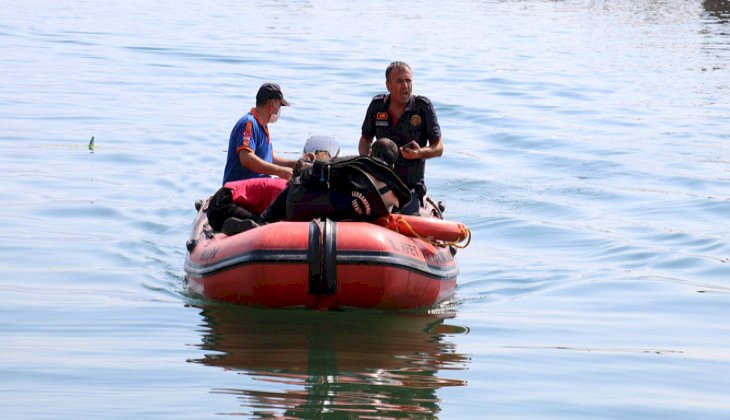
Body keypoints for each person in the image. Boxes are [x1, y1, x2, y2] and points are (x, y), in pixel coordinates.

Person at [210, 135, 341, 235]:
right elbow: (273, 216)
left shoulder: (287, 187)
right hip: (222, 202)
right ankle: (233, 226)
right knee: (262, 225)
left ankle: (236, 224)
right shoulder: (284, 190)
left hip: (229, 197)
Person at [359, 61, 443, 212]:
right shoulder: (377, 105)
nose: (405, 85)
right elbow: (365, 139)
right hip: (380, 183)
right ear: (388, 85)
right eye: (399, 81)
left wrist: (419, 153)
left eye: (408, 80)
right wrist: (367, 162)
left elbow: (438, 148)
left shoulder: (423, 107)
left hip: (410, 187)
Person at [222, 82, 297, 184]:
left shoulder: (262, 126)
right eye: (280, 105)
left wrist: (297, 164)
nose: (279, 110)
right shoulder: (249, 123)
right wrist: (279, 171)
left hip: (258, 186)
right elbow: (246, 158)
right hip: (240, 189)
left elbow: (271, 158)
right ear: (272, 105)